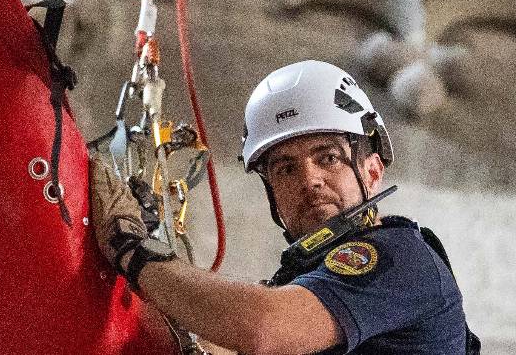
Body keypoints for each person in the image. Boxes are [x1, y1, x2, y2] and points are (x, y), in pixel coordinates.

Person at [88, 60, 478, 354]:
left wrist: (133, 252)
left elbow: (262, 327)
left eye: (327, 158)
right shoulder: (301, 287)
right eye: (286, 168)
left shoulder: (399, 259)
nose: (308, 180)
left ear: (372, 171)